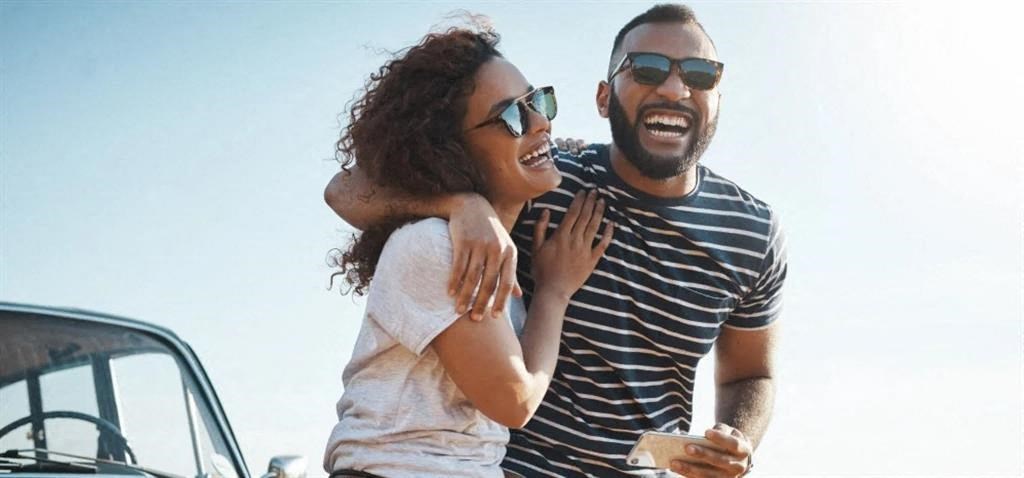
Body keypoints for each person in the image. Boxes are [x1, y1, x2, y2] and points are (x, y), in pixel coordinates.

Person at [324, 4, 786, 478]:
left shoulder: (753, 234)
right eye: (646, 69)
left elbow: (752, 374)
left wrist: (739, 441)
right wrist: (462, 205)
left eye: (700, 74)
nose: (673, 89)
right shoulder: (541, 179)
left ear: (719, 97)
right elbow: (346, 191)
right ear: (604, 98)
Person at [321, 21, 614, 478]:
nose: (540, 122)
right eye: (513, 117)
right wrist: (554, 293)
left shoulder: (483, 248)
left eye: (538, 102)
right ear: (452, 150)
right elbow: (515, 401)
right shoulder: (435, 244)